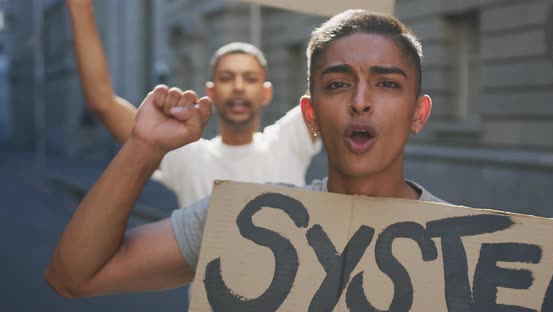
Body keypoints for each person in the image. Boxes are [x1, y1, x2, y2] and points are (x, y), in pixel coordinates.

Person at [46, 9, 444, 299]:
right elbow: (73, 275)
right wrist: (143, 147)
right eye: (338, 84)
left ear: (418, 113)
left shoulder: (472, 248)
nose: (360, 101)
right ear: (312, 115)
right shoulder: (237, 217)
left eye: (387, 84)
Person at [66, 0, 321, 208]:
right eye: (226, 78)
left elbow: (331, 76)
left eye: (250, 78)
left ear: (266, 93)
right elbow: (102, 103)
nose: (239, 86)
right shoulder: (189, 158)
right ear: (211, 92)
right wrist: (80, 7)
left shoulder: (288, 141)